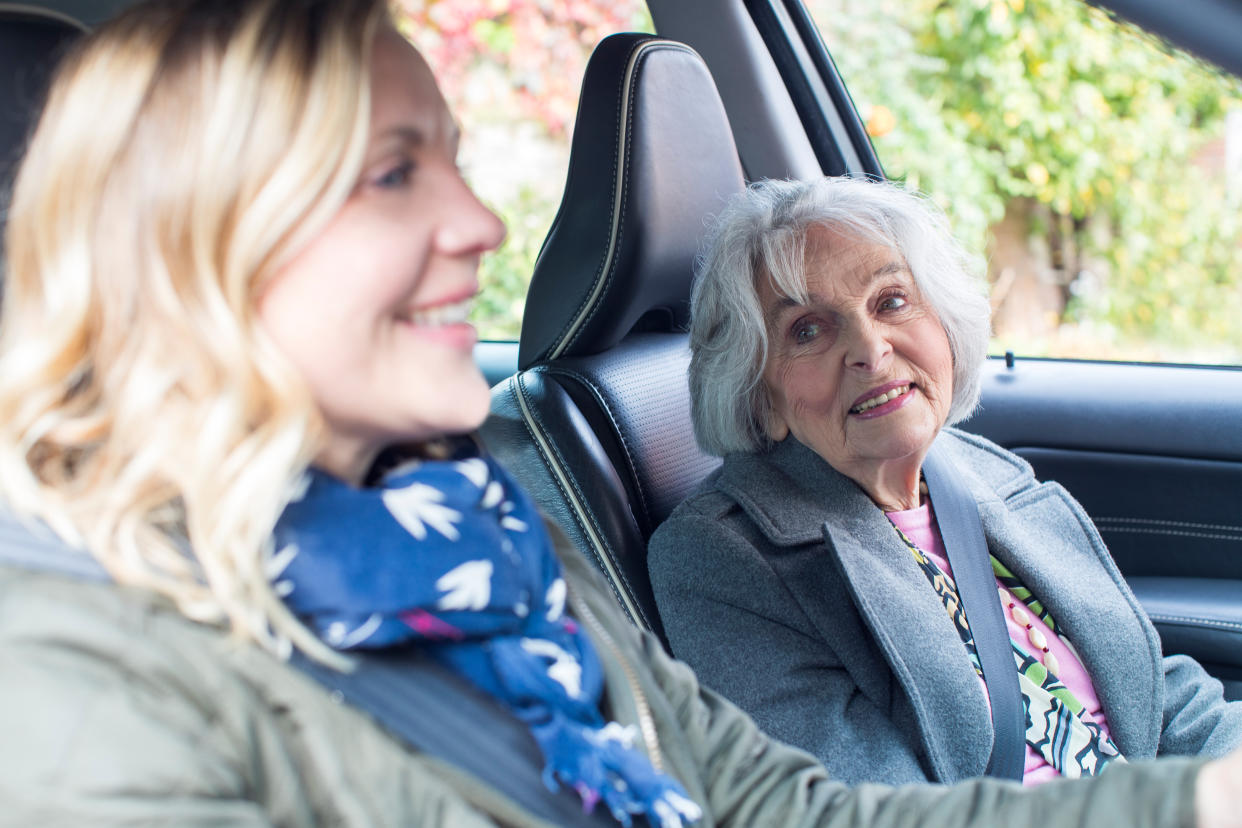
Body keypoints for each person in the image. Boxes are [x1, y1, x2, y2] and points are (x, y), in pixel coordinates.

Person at [0, 2, 1239, 825]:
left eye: (453, 158)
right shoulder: (70, 675)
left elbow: (775, 809)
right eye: (392, 174)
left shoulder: (492, 541)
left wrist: (1198, 799)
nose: (482, 227)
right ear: (195, 252)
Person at [648, 175, 1242, 790]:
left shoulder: (978, 470)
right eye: (808, 330)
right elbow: (870, 809)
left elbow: (1155, 691)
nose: (870, 351)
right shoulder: (723, 559)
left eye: (891, 301)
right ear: (759, 394)